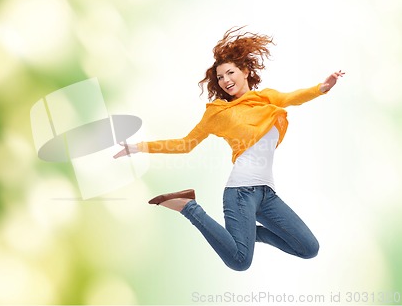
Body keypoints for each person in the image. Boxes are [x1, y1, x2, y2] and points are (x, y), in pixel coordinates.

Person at [113, 27, 344, 271]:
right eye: (220, 77)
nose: (225, 81)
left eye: (230, 73)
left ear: (245, 72)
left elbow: (293, 97)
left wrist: (323, 87)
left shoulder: (265, 98)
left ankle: (246, 234)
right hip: (240, 192)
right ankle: (188, 207)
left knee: (308, 248)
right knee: (240, 261)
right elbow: (185, 144)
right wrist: (138, 147)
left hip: (267, 195)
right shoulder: (219, 113)